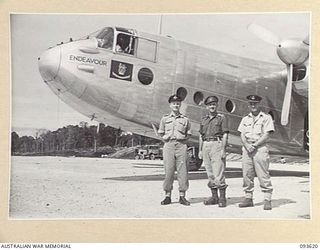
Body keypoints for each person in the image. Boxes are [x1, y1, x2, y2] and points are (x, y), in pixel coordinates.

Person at [237, 95, 275, 210]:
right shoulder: (245, 119)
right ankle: (248, 198)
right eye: (251, 103)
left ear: (259, 104)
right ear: (249, 105)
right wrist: (247, 145)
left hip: (260, 148)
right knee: (247, 174)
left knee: (263, 174)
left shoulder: (266, 117)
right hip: (247, 148)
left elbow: (267, 134)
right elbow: (242, 134)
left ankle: (267, 199)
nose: (253, 105)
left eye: (255, 103)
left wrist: (254, 145)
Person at [158, 94, 192, 206]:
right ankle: (167, 196)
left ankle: (182, 196)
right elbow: (161, 132)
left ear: (180, 105)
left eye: (178, 103)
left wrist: (182, 141)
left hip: (181, 145)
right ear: (170, 105)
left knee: (183, 172)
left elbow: (189, 134)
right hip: (169, 145)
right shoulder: (165, 118)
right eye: (174, 103)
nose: (176, 105)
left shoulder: (185, 119)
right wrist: (165, 139)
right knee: (169, 171)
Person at [198, 96, 229, 207]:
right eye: (210, 105)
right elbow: (201, 135)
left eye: (214, 104)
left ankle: (222, 198)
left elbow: (225, 134)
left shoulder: (221, 118)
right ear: (207, 106)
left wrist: (223, 149)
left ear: (216, 106)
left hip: (216, 144)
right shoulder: (204, 119)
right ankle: (214, 197)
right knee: (210, 172)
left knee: (218, 172)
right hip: (206, 144)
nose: (212, 106)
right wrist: (200, 150)